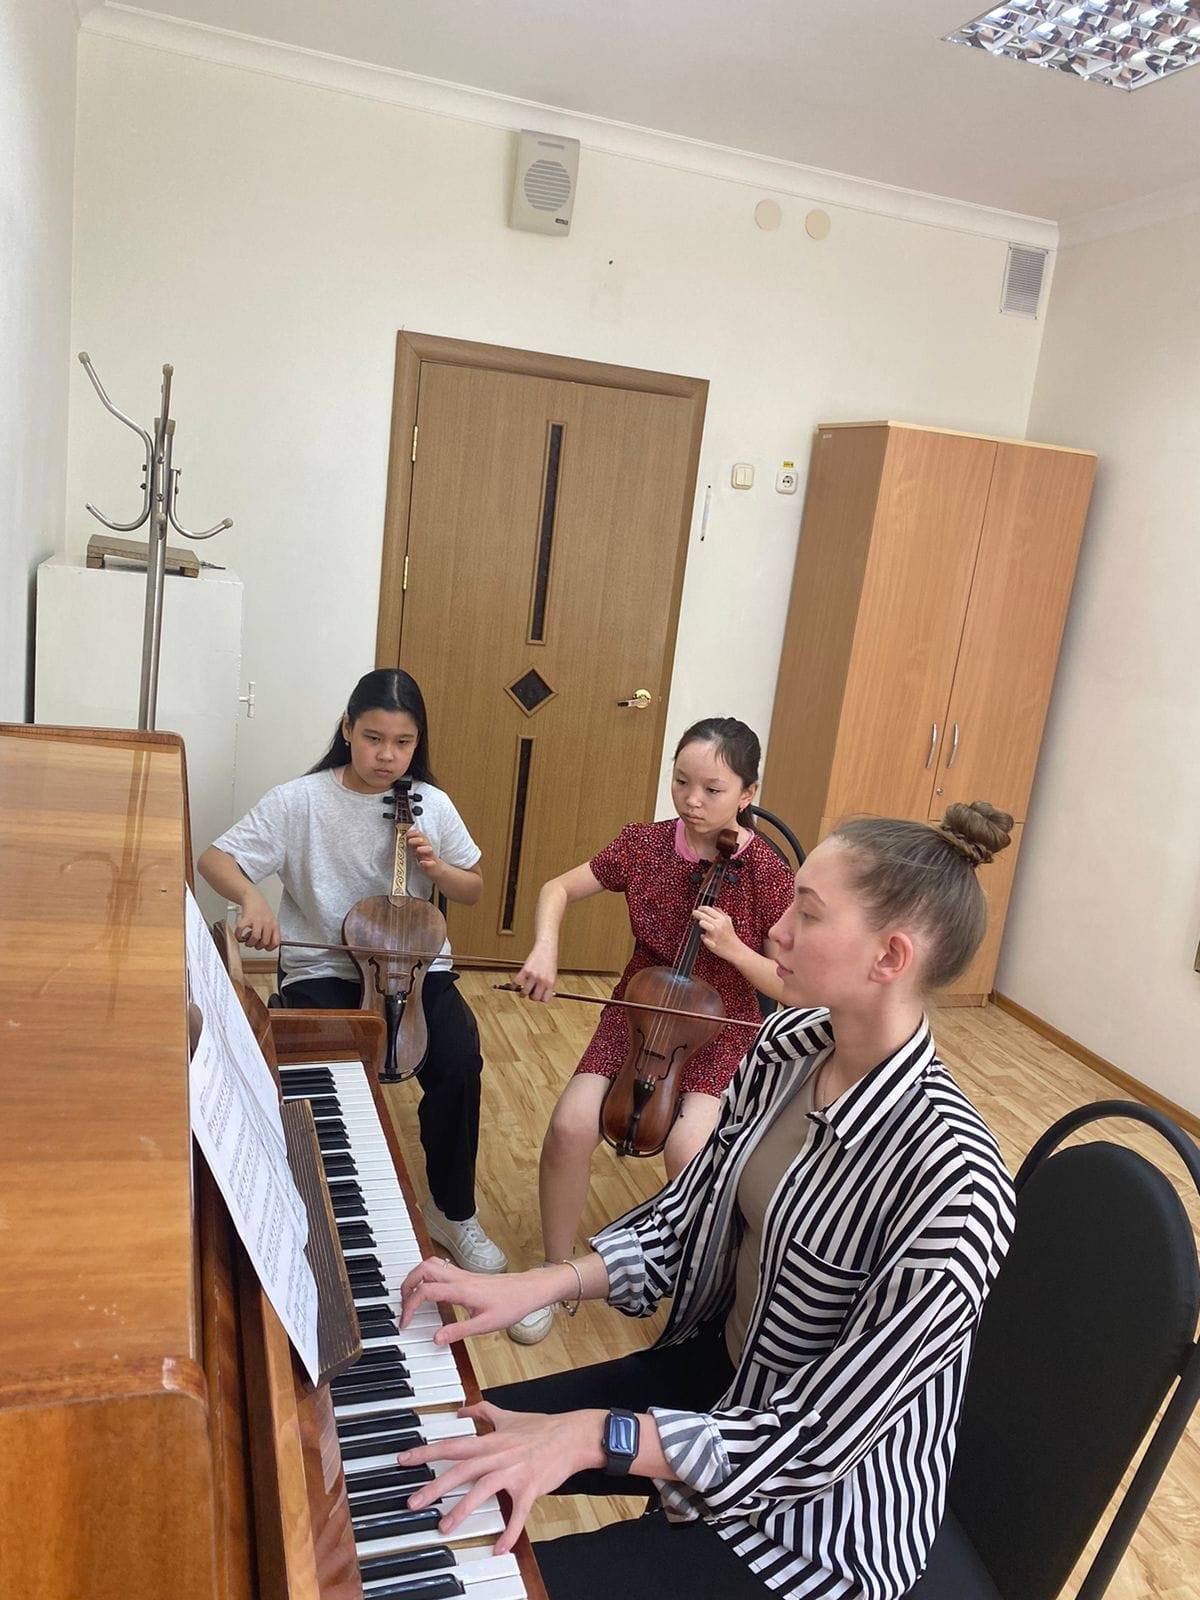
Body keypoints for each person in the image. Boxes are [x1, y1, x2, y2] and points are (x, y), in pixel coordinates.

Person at [397, 801, 1019, 1599]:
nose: (775, 931)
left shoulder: (954, 1182)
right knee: (432, 1449)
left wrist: (591, 1437)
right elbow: (689, 1214)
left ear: (889, 956)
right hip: (722, 1378)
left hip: (814, 1524)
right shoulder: (787, 1048)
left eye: (806, 913)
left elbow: (819, 1440)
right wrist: (547, 1281)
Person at [197, 667, 506, 1273]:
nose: (387, 756)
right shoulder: (300, 801)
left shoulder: (431, 803)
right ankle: (319, 1206)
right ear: (346, 729)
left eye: (403, 742)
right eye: (373, 738)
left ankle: (452, 1210)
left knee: (458, 1060)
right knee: (326, 1077)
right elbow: (214, 859)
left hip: (414, 967)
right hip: (323, 965)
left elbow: (471, 888)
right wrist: (252, 899)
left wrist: (438, 871)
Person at [509, 717, 796, 1343]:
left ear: (747, 794)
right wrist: (545, 948)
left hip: (721, 1025)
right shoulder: (644, 844)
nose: (692, 801)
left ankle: (699, 1285)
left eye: (712, 789)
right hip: (638, 1010)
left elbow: (788, 983)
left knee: (688, 1148)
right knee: (570, 1125)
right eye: (681, 781)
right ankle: (554, 1274)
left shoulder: (768, 874)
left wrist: (735, 948)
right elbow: (557, 888)